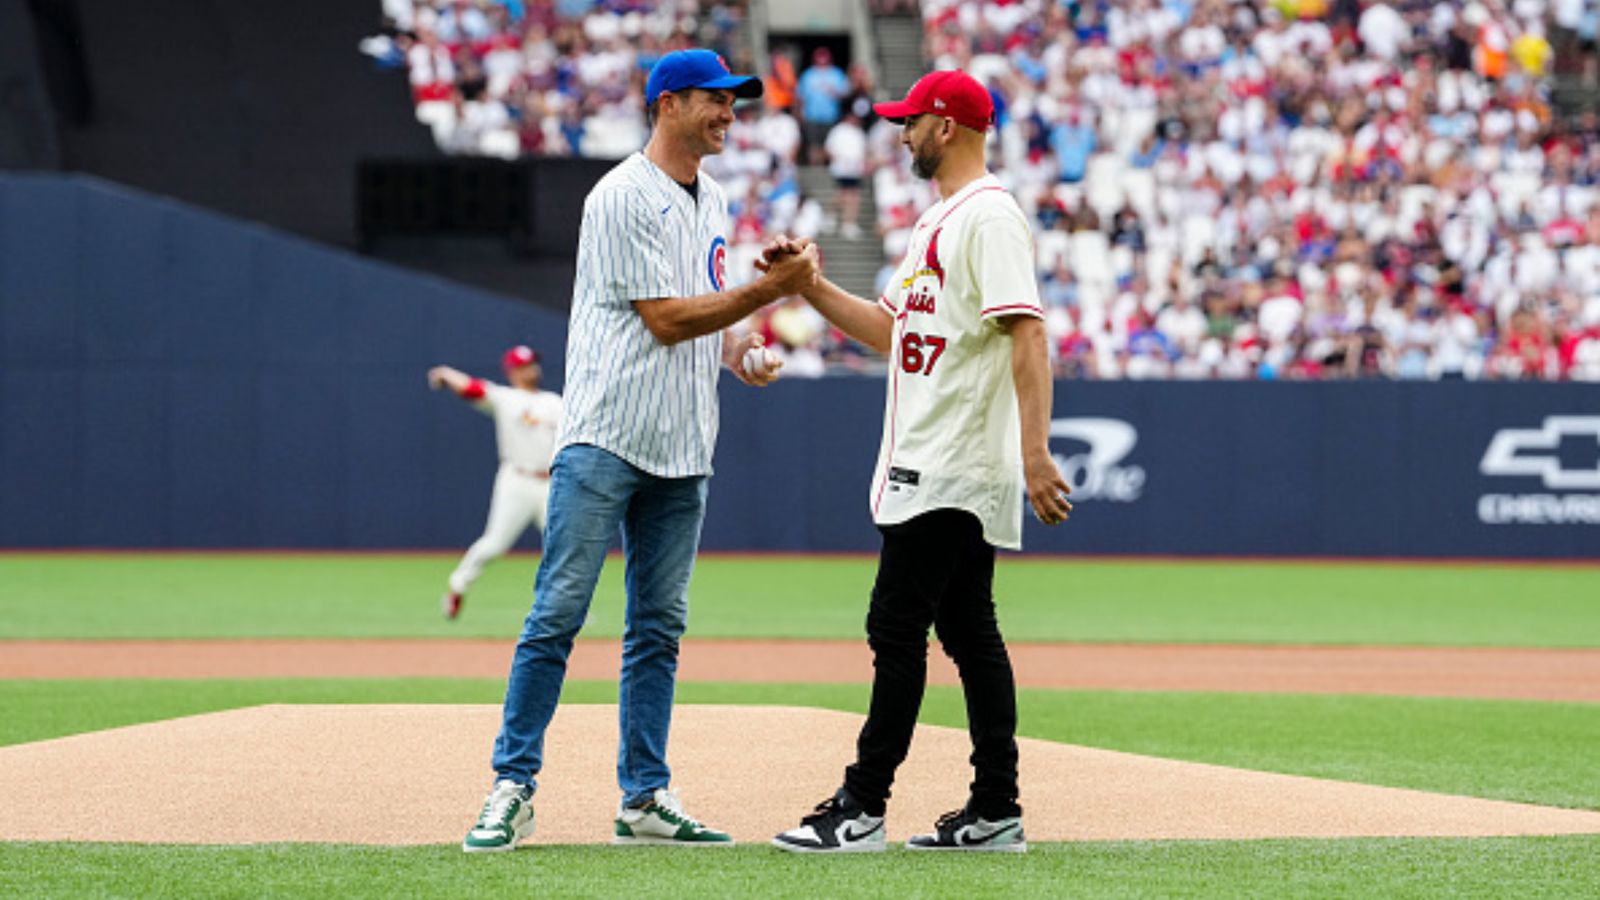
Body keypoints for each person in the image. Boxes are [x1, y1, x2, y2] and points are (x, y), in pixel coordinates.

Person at [460, 48, 818, 853]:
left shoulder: (713, 197)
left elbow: (707, 315)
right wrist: (770, 290)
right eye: (714, 99)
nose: (729, 112)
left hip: (684, 444)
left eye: (733, 100)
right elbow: (664, 319)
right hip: (607, 435)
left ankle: (645, 796)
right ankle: (512, 785)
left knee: (658, 628)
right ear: (667, 104)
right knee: (558, 613)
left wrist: (743, 350)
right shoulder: (619, 194)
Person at [765, 69, 1072, 854]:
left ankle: (861, 806)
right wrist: (807, 285)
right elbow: (887, 330)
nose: (902, 134)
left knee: (895, 626)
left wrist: (1036, 451)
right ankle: (995, 808)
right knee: (968, 632)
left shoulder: (989, 216)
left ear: (946, 126)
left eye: (910, 121)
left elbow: (1028, 332)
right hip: (937, 456)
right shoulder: (941, 217)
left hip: (953, 459)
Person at [428, 346, 562, 619]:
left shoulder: (554, 402)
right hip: (517, 480)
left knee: (562, 545)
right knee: (495, 544)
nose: (531, 369)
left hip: (550, 482)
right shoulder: (505, 398)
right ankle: (457, 586)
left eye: (533, 364)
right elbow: (472, 389)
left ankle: (563, 605)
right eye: (524, 366)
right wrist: (445, 373)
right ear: (512, 371)